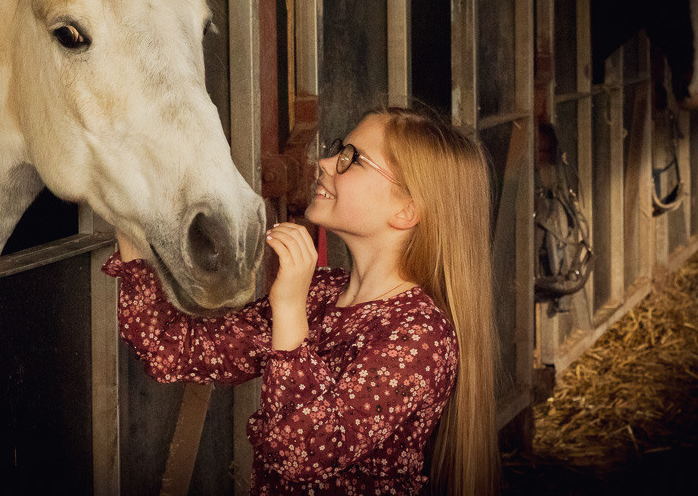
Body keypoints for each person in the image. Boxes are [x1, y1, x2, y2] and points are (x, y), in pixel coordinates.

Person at [105, 106, 500, 494]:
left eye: (352, 159)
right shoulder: (320, 293)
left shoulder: (420, 336)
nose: (326, 162)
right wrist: (127, 209)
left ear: (406, 211)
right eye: (338, 148)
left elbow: (306, 452)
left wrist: (290, 311)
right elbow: (175, 348)